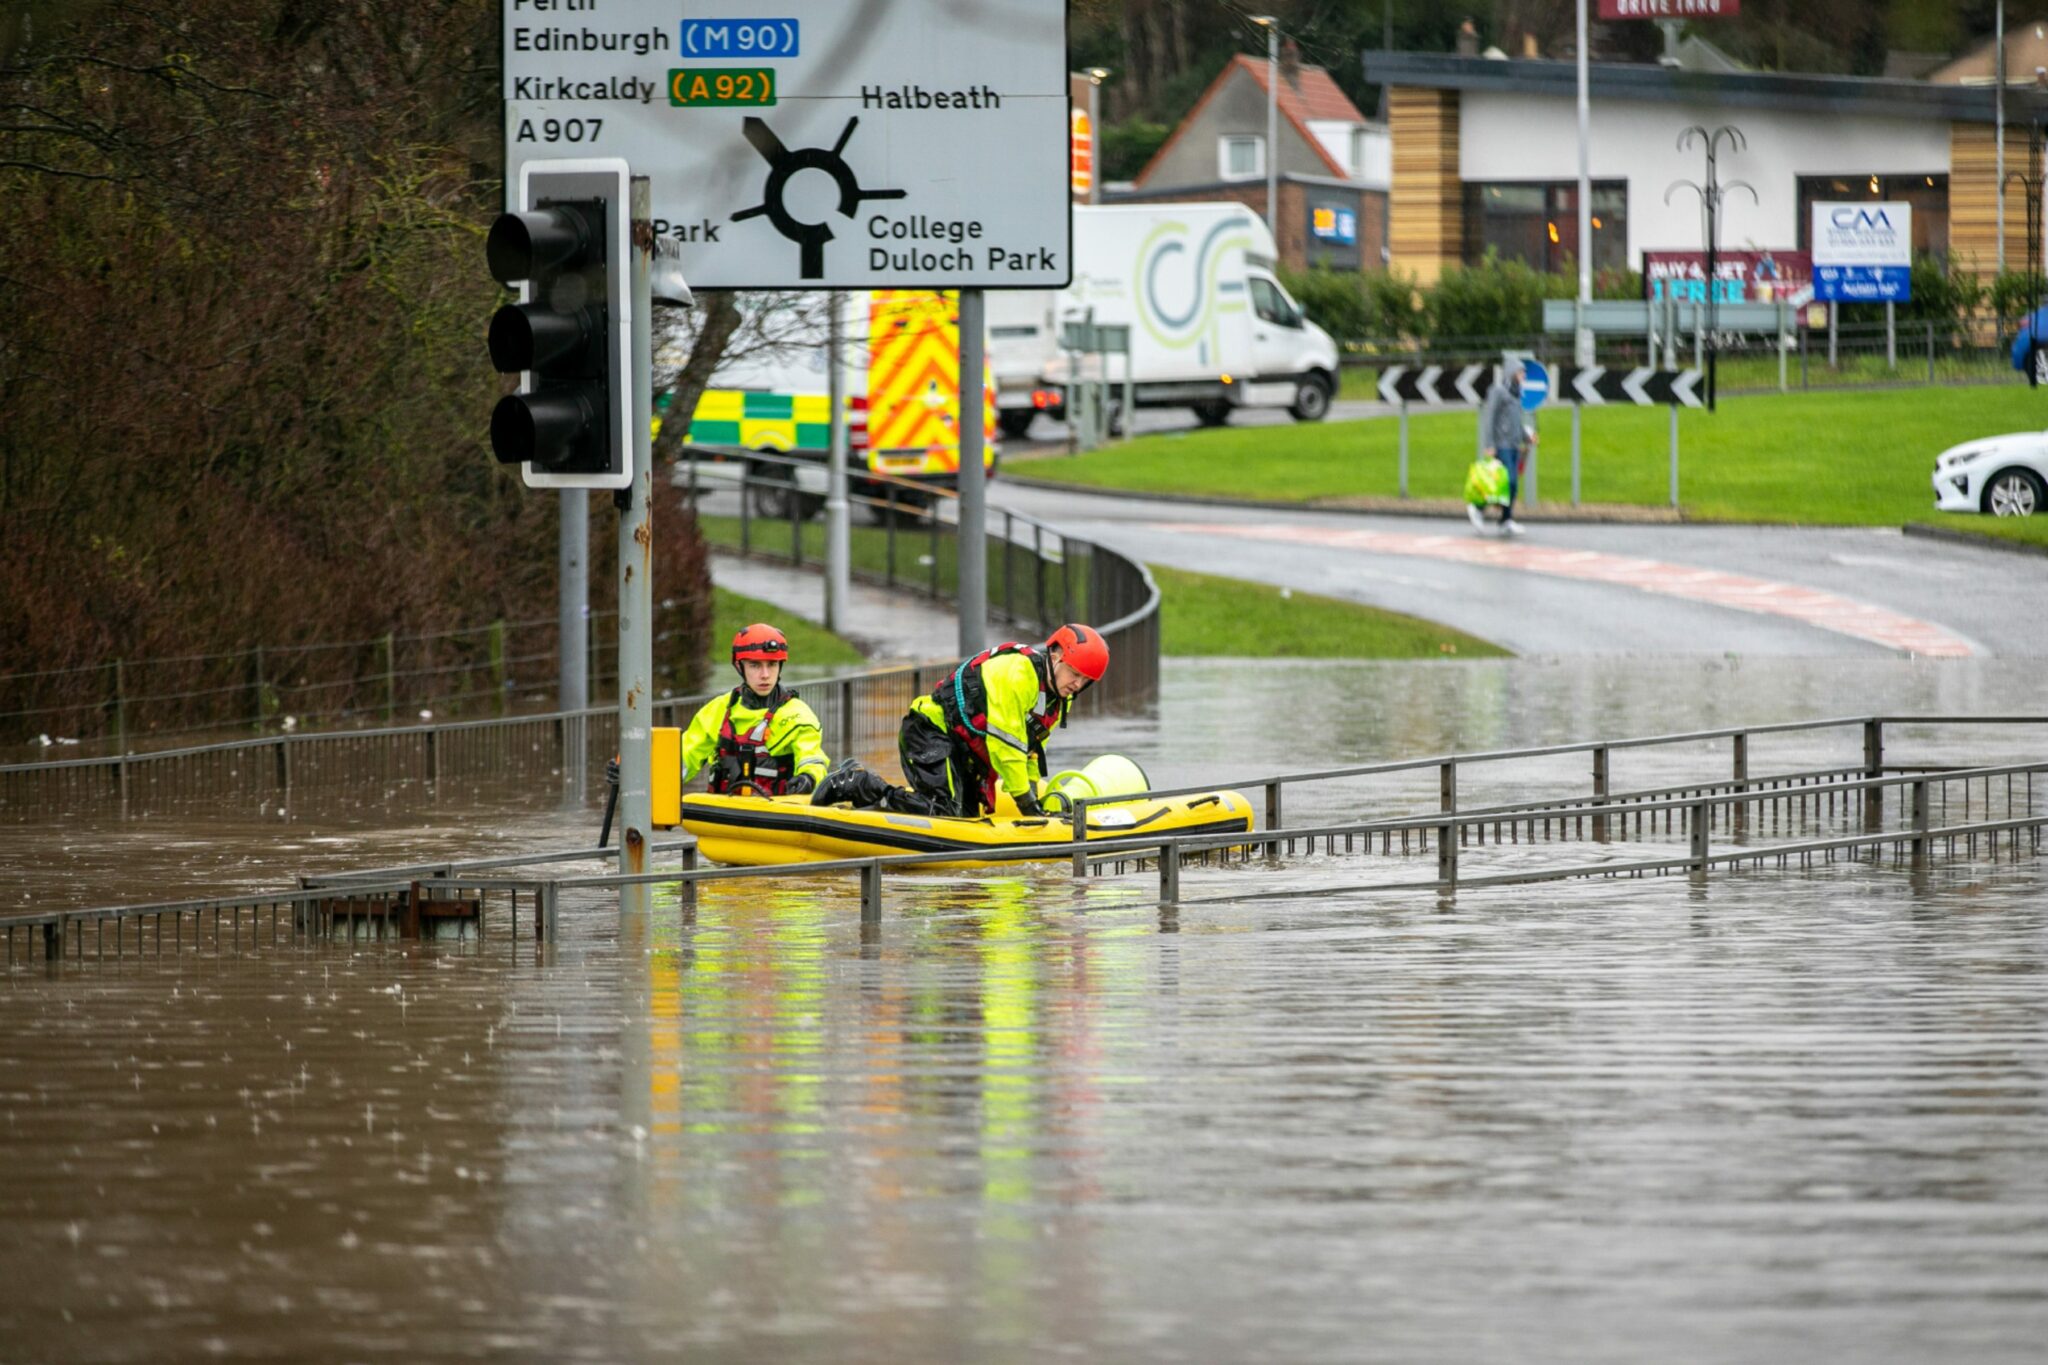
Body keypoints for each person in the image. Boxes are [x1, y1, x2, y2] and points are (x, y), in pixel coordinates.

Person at [810, 623, 1109, 818]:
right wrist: (1028, 806)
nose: (1078, 685)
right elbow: (1007, 748)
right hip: (930, 733)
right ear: (1055, 656)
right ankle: (861, 784)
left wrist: (1034, 803)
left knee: (965, 823)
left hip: (961, 752)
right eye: (1075, 674)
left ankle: (871, 804)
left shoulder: (1056, 700)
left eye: (1086, 680)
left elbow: (1029, 753)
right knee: (944, 815)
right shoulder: (1018, 675)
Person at [678, 623, 829, 796]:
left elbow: (812, 758)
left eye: (772, 664)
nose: (765, 674)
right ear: (739, 666)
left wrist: (808, 778)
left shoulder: (798, 715)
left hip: (776, 813)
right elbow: (685, 758)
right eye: (755, 665)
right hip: (723, 814)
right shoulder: (718, 709)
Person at [1474, 363, 1531, 535]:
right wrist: (1489, 444)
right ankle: (1478, 507)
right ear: (1512, 372)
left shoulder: (1516, 394)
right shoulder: (1498, 391)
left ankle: (1506, 520)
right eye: (1521, 372)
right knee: (1508, 481)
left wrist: (1527, 437)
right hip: (1502, 445)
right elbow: (1489, 417)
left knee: (1510, 486)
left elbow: (1516, 422)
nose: (1524, 376)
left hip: (1514, 445)